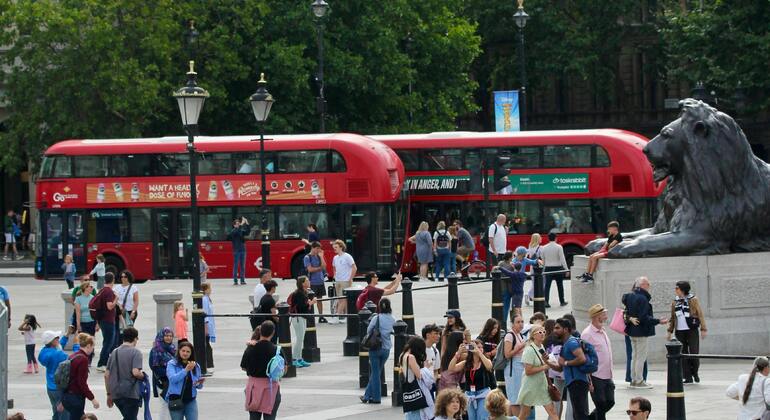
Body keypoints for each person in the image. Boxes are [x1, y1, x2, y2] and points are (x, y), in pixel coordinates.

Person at [623, 276, 668, 389]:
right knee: (640, 357)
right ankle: (639, 381)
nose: (649, 286)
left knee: (634, 356)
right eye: (648, 284)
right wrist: (658, 321)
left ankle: (633, 380)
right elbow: (644, 318)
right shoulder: (642, 299)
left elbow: (626, 312)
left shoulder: (629, 296)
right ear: (642, 285)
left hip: (631, 331)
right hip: (641, 331)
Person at [667, 280, 707, 384]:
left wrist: (703, 329)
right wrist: (669, 331)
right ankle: (687, 376)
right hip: (679, 331)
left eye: (677, 288)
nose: (675, 290)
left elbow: (700, 314)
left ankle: (695, 372)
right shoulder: (675, 301)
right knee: (682, 355)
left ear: (683, 289)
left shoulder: (693, 300)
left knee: (694, 353)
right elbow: (673, 318)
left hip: (691, 330)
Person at [241, 320, 283, 420]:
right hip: (271, 387)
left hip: (254, 388)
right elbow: (283, 369)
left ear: (260, 331)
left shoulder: (250, 348)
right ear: (273, 333)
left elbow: (243, 366)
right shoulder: (277, 350)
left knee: (254, 417)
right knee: (270, 417)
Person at [517, 325, 560, 420]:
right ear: (533, 335)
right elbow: (528, 371)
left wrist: (549, 361)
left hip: (542, 385)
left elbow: (543, 363)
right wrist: (545, 367)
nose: (543, 334)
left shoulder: (541, 347)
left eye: (544, 332)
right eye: (540, 332)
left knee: (552, 411)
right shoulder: (529, 350)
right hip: (530, 386)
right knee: (524, 414)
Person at [581, 304, 615, 420]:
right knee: (600, 404)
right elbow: (584, 356)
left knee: (610, 401)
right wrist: (589, 379)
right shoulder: (587, 334)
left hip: (607, 374)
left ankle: (590, 418)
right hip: (596, 375)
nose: (606, 316)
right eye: (603, 314)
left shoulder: (602, 330)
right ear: (596, 316)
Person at [360, 298, 396, 404]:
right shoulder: (393, 319)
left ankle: (376, 398)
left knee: (375, 373)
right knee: (377, 372)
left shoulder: (377, 318)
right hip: (386, 349)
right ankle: (367, 396)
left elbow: (368, 330)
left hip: (375, 348)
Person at [448, 338, 494, 420]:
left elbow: (489, 366)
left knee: (482, 417)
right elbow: (451, 369)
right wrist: (458, 353)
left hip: (483, 394)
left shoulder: (485, 361)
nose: (480, 349)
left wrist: (479, 353)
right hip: (469, 395)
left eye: (481, 347)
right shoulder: (466, 363)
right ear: (471, 349)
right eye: (477, 347)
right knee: (471, 418)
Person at [554, 317, 590, 420]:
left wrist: (566, 363)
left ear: (565, 329)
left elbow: (582, 358)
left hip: (577, 382)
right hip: (573, 382)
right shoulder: (566, 343)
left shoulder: (571, 343)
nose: (554, 331)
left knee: (580, 414)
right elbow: (560, 368)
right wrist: (548, 362)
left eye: (557, 328)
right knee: (578, 413)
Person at [104, 326, 144, 420]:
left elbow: (106, 375)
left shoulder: (114, 352)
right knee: (131, 417)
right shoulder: (136, 352)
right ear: (135, 338)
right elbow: (135, 372)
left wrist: (109, 394)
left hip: (116, 393)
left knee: (128, 417)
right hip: (131, 393)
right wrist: (143, 376)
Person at [61, 333, 100, 420]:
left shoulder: (73, 356)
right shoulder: (83, 359)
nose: (92, 349)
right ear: (88, 346)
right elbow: (81, 383)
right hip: (76, 397)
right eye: (93, 347)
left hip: (67, 396)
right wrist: (92, 399)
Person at [165, 341, 204, 420]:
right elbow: (173, 379)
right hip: (176, 399)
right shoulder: (172, 364)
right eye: (183, 351)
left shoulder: (195, 366)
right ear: (179, 351)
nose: (185, 353)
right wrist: (186, 370)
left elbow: (198, 386)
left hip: (190, 400)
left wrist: (199, 383)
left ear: (191, 353)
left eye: (188, 352)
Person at [498, 248, 539, 320]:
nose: (524, 257)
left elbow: (508, 273)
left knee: (514, 307)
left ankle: (513, 320)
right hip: (515, 289)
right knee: (516, 307)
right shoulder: (513, 265)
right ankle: (517, 320)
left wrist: (537, 261)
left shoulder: (511, 264)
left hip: (512, 288)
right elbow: (522, 275)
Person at [397, 336, 432, 419]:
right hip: (415, 390)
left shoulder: (402, 355)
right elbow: (419, 375)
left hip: (408, 390)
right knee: (417, 414)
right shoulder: (411, 357)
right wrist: (426, 367)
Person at [38, 330, 69, 420]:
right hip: (60, 386)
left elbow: (58, 346)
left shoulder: (43, 352)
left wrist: (66, 336)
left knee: (55, 411)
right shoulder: (58, 354)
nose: (58, 339)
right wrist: (76, 346)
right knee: (64, 413)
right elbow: (72, 359)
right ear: (52, 341)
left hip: (50, 387)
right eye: (56, 338)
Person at [289, 276, 316, 368]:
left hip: (302, 317)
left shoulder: (304, 292)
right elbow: (301, 307)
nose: (309, 281)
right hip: (297, 317)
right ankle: (294, 359)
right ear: (302, 283)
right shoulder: (298, 293)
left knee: (301, 338)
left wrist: (308, 302)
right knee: (299, 338)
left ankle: (299, 358)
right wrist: (311, 303)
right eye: (307, 280)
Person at [93, 272, 118, 372]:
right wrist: (116, 299)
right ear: (113, 280)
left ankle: (104, 362)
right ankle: (101, 364)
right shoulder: (109, 291)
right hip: (108, 320)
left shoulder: (102, 290)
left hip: (102, 320)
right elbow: (109, 306)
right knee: (108, 343)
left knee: (106, 342)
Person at [150, 327, 176, 420]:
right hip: (162, 382)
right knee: (164, 404)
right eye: (166, 336)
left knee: (171, 405)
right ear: (161, 336)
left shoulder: (172, 348)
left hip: (173, 381)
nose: (169, 338)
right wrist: (170, 373)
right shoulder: (156, 350)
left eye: (170, 336)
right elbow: (154, 367)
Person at [503, 313, 526, 417]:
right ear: (512, 324)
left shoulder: (520, 335)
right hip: (513, 369)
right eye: (518, 322)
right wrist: (521, 346)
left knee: (518, 398)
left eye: (522, 322)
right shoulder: (510, 335)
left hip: (520, 368)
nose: (521, 324)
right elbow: (507, 354)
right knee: (515, 399)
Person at [541, 233, 568, 308]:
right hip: (558, 268)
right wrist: (566, 269)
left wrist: (543, 270)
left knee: (547, 286)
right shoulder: (559, 247)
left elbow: (543, 259)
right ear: (556, 238)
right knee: (560, 285)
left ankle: (546, 301)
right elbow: (562, 259)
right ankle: (562, 301)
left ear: (548, 238)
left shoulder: (544, 247)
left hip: (548, 268)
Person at [332, 239, 356, 323]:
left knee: (343, 299)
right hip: (338, 281)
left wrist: (350, 278)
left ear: (341, 247)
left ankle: (336, 317)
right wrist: (335, 276)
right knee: (341, 299)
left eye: (336, 247)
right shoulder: (335, 258)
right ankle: (346, 317)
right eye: (334, 247)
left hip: (345, 281)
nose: (334, 249)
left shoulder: (347, 256)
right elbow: (334, 268)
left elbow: (354, 268)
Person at [303, 242, 327, 322]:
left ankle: (321, 316)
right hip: (312, 282)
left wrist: (322, 257)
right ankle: (310, 317)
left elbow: (324, 266)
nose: (319, 250)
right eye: (317, 248)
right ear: (312, 248)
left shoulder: (319, 256)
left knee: (320, 300)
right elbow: (310, 269)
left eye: (319, 249)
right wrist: (320, 268)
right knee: (310, 300)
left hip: (320, 281)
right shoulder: (307, 257)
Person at [228, 216, 251, 286]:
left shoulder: (240, 230)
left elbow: (247, 232)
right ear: (234, 225)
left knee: (242, 266)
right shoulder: (233, 231)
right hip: (236, 250)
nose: (238, 225)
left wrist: (247, 224)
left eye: (239, 224)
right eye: (237, 224)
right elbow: (236, 232)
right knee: (236, 265)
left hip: (243, 250)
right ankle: (235, 280)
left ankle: (242, 280)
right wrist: (241, 224)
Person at [524, 233, 543, 306]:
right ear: (537, 239)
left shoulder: (530, 247)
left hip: (532, 266)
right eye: (540, 237)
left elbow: (527, 256)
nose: (541, 238)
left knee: (534, 282)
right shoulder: (540, 248)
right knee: (538, 282)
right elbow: (542, 257)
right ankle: (529, 295)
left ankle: (531, 296)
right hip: (538, 266)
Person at [201, 283, 216, 374]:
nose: (210, 290)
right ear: (205, 289)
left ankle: (208, 366)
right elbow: (205, 313)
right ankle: (207, 365)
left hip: (209, 324)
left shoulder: (207, 298)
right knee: (207, 347)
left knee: (207, 345)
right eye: (209, 288)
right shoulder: (204, 299)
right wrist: (206, 327)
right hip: (207, 325)